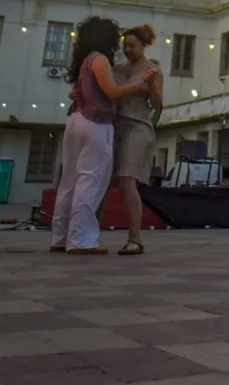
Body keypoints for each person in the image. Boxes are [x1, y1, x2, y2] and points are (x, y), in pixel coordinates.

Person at [51, 16, 157, 255]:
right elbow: (112, 92)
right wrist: (141, 81)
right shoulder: (101, 61)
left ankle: (62, 236)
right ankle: (81, 240)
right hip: (95, 123)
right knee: (90, 181)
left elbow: (79, 91)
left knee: (71, 181)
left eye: (131, 45)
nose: (123, 47)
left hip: (80, 121)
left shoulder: (87, 61)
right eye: (122, 42)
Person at [111, 24, 163, 256]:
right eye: (125, 47)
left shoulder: (153, 70)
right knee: (108, 181)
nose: (128, 50)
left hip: (139, 127)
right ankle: (87, 235)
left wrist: (150, 83)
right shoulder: (118, 68)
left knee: (126, 179)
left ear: (143, 46)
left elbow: (158, 103)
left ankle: (135, 239)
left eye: (132, 46)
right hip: (116, 126)